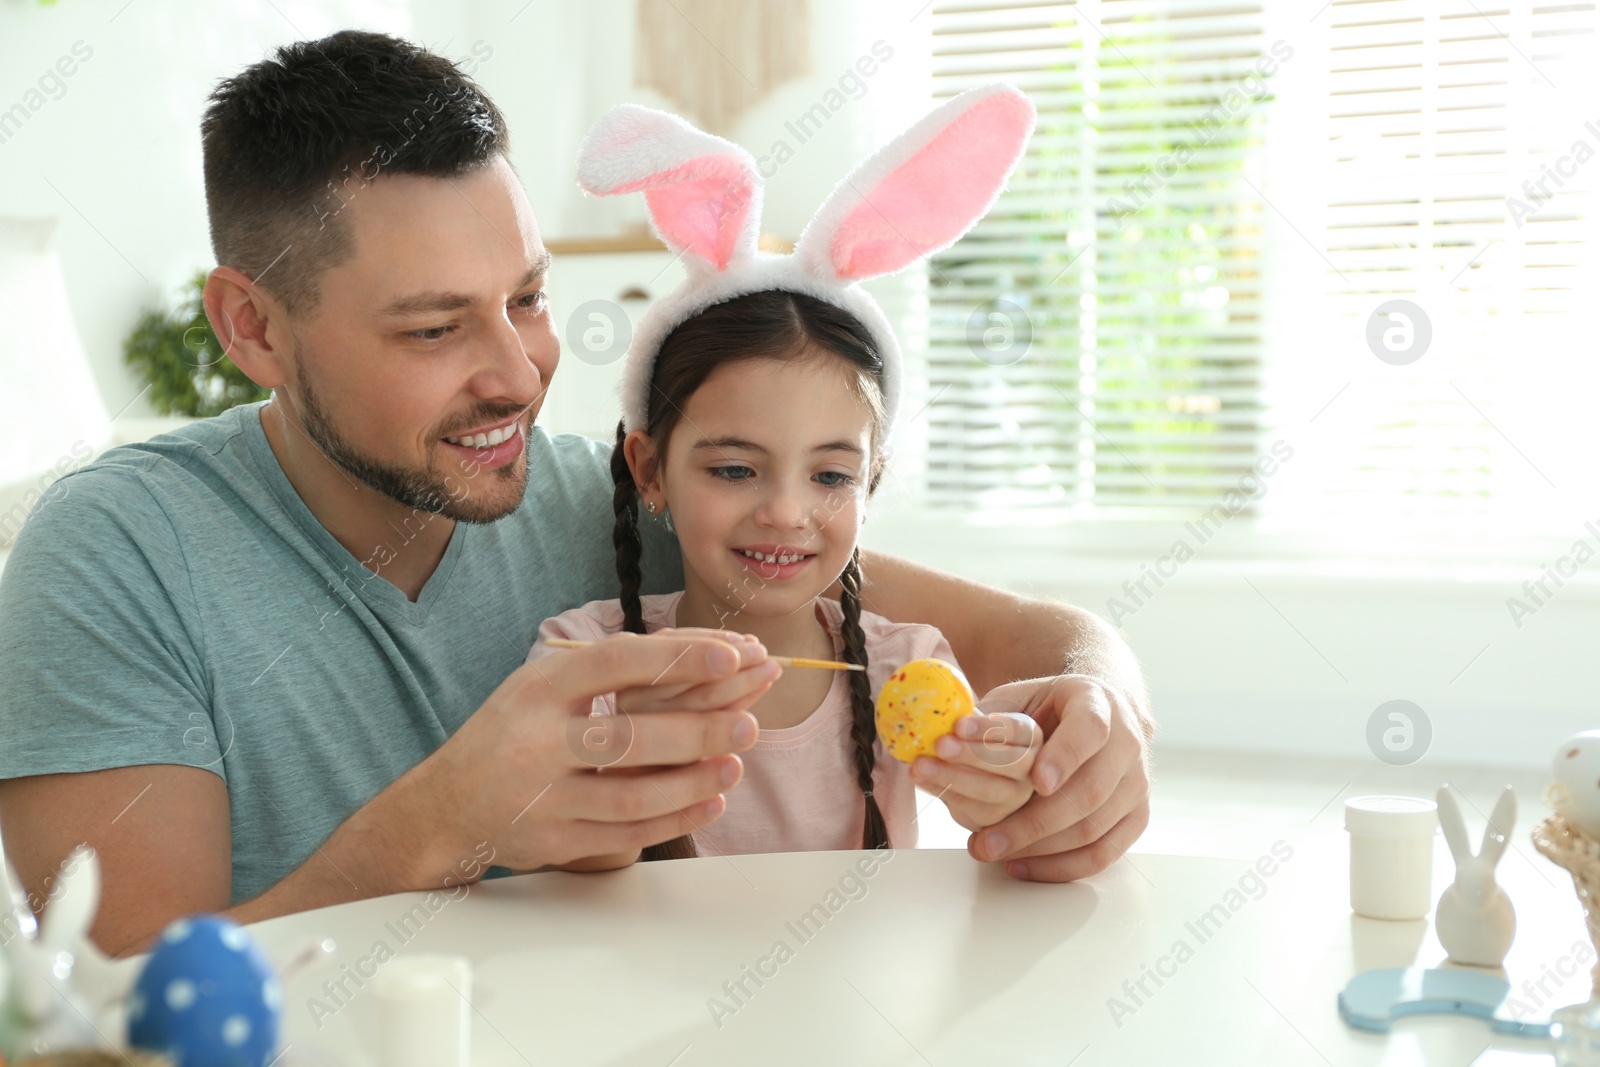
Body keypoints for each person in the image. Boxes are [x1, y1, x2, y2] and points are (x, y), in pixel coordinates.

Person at [0, 31, 1154, 959]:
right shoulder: (115, 553)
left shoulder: (601, 501)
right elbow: (111, 1011)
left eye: (530, 297)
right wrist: (438, 827)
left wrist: (1098, 712)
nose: (519, 372)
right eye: (436, 326)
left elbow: (1030, 635)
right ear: (253, 326)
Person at [530, 91, 1045, 866]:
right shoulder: (581, 658)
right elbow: (557, 859)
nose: (784, 510)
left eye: (831, 474)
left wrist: (1003, 780)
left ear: (870, 486)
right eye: (735, 468)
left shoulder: (908, 665)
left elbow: (1001, 830)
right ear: (649, 471)